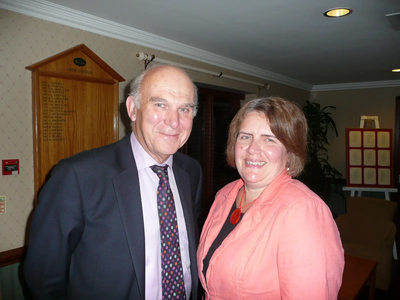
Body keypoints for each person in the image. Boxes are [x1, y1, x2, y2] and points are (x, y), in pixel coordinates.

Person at [24, 65, 203, 300]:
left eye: (184, 109)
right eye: (160, 104)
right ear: (133, 109)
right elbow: (43, 276)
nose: (174, 121)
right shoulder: (78, 175)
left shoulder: (191, 171)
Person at [197, 97, 344, 300]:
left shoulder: (302, 210)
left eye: (269, 139)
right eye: (245, 137)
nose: (252, 149)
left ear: (290, 151)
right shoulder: (225, 195)